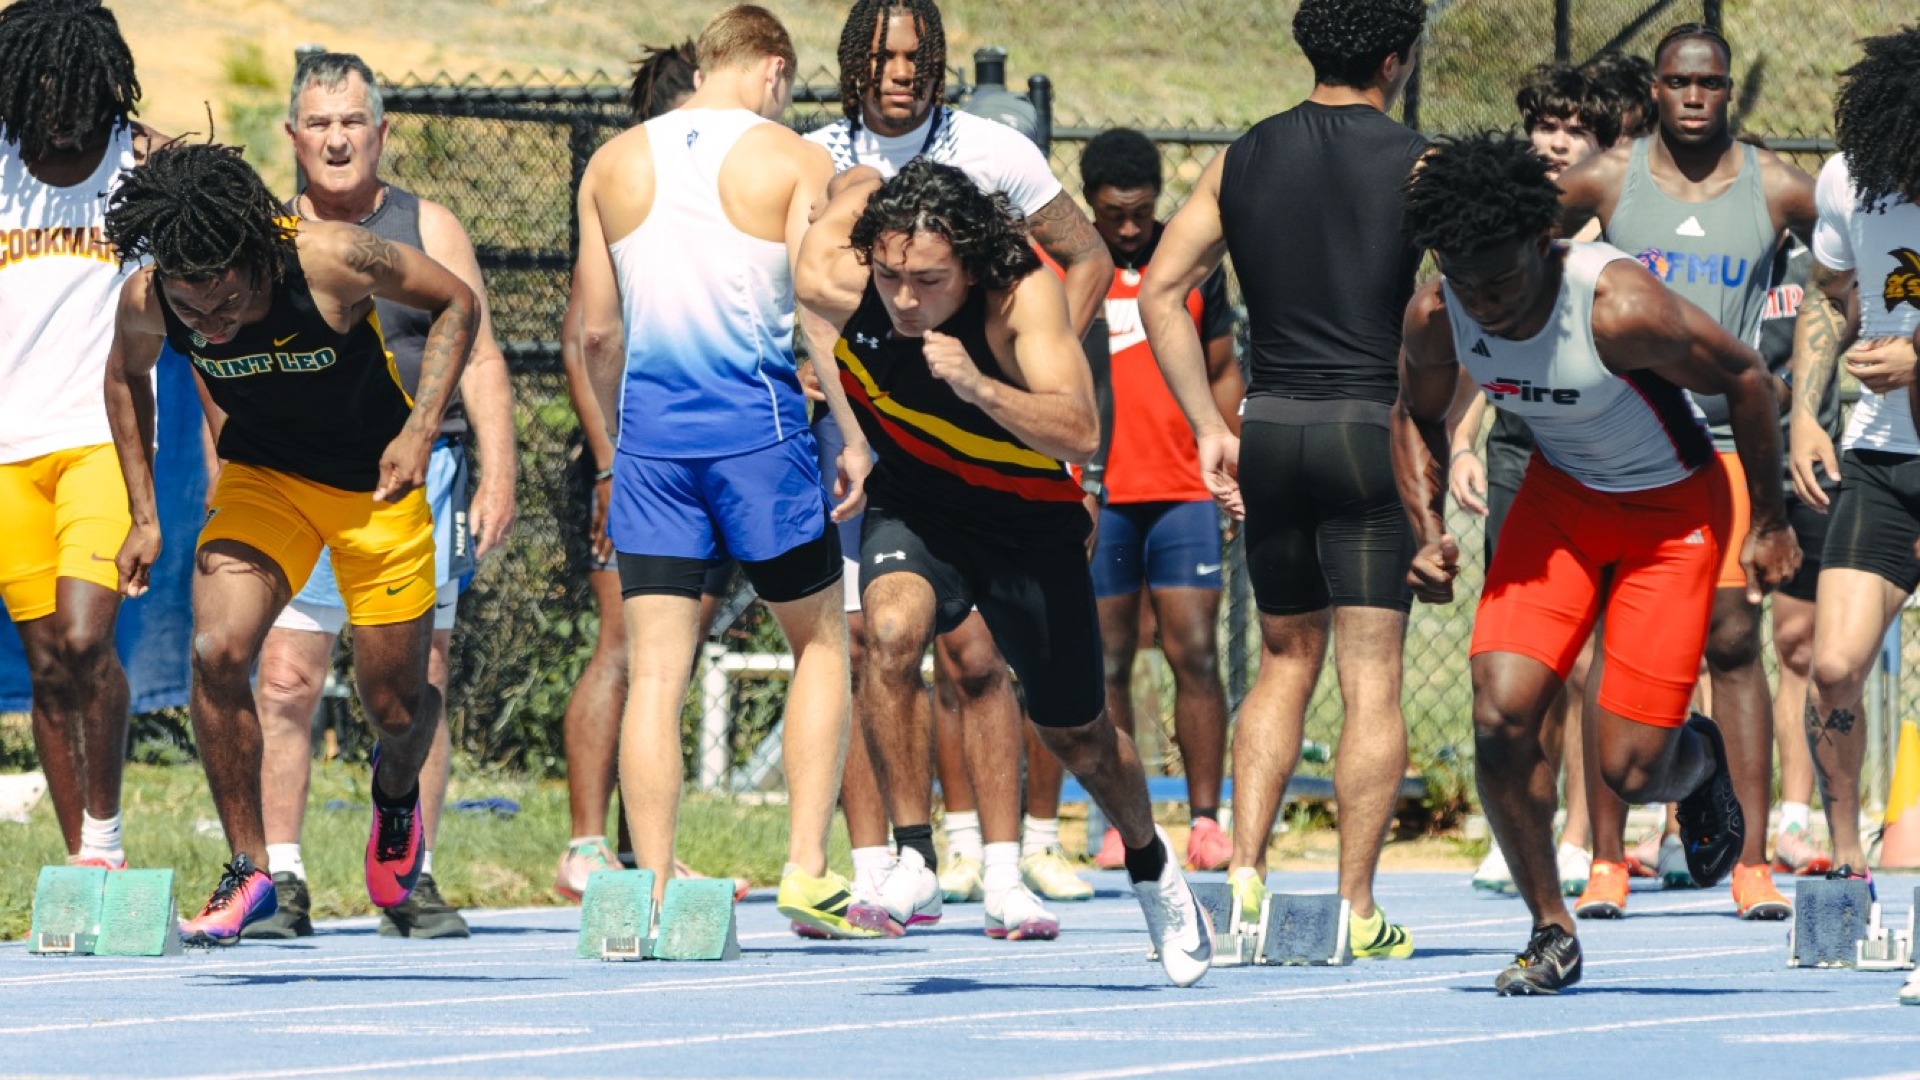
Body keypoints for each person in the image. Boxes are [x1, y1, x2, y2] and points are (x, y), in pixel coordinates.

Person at [1395, 132, 1795, 995]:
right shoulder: (1438, 312)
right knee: (1500, 715)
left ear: (1542, 242)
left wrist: (1768, 521)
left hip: (1671, 513)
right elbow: (1413, 414)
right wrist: (1424, 529)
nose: (1486, 306)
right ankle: (1552, 927)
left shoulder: (1619, 306)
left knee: (1631, 771)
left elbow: (1748, 380)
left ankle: (1699, 758)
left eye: (1502, 284)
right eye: (1468, 285)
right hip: (1562, 503)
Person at [796, 157, 1212, 984]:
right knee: (887, 633)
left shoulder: (1022, 298)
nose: (904, 300)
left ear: (971, 265)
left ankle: (1151, 862)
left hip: (1026, 526)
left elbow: (1079, 430)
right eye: (890, 277)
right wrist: (860, 182)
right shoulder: (841, 275)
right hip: (918, 506)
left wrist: (977, 385)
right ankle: (914, 857)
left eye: (929, 281)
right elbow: (835, 237)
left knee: (1078, 734)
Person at [102, 142, 480, 945]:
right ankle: (251, 868)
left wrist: (420, 431)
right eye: (193, 313)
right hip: (265, 481)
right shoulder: (150, 297)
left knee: (395, 708)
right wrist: (143, 514)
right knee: (217, 649)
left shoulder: (331, 257)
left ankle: (397, 795)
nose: (212, 326)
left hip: (376, 488)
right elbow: (124, 377)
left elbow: (456, 302)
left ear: (254, 257)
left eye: (227, 304)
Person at [803, 0, 1113, 938]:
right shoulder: (815, 158)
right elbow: (807, 295)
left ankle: (1005, 871)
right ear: (853, 61)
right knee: (876, 645)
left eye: (916, 55)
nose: (900, 71)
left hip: (984, 439)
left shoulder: (991, 148)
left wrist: (1025, 377)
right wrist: (839, 401)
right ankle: (888, 868)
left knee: (978, 659)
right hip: (871, 440)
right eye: (882, 56)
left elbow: (1087, 256)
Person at [569, 4, 878, 938]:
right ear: (773, 70)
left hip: (652, 446)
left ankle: (655, 892)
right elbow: (818, 312)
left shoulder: (611, 163)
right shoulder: (791, 156)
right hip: (758, 436)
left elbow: (594, 334)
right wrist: (853, 434)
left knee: (656, 675)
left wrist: (618, 444)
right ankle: (807, 869)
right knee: (819, 643)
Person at [1139, 0, 1426, 959]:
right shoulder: (1417, 162)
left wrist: (1207, 425)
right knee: (1371, 677)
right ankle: (1355, 907)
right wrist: (1448, 433)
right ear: (1396, 58)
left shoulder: (1243, 156)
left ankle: (1246, 880)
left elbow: (1159, 292)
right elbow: (1465, 306)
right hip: (1367, 429)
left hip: (1269, 428)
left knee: (1282, 660)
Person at [237, 51, 517, 942]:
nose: (336, 139)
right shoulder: (265, 237)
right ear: (293, 137)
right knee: (285, 679)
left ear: (381, 132)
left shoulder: (428, 226)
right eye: (319, 124)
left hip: (415, 484)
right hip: (296, 476)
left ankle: (409, 874)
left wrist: (500, 473)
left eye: (352, 121)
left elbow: (479, 353)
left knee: (415, 683)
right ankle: (281, 876)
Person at [1557, 22, 1817, 921]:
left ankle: (1751, 865)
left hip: (1729, 444)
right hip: (1623, 443)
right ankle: (1606, 861)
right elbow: (1510, 253)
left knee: (1734, 643)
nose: (1695, 96)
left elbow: (1852, 267)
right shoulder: (1606, 178)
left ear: (1728, 90)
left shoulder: (1776, 186)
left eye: (1710, 83)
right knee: (1607, 646)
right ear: (1656, 90)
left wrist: (1812, 385)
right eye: (1679, 82)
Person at [552, 37, 723, 901]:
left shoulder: (712, 201)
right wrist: (610, 465)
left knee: (669, 660)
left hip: (704, 452)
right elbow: (580, 340)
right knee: (623, 647)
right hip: (631, 460)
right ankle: (585, 846)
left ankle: (641, 847)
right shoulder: (629, 188)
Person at [1452, 61, 1616, 900]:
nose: (1555, 143)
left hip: (1605, 460)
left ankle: (1588, 832)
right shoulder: (1506, 231)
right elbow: (1478, 343)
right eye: (1544, 127)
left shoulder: (1616, 239)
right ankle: (1524, 824)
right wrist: (1463, 442)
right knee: (1524, 662)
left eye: (1574, 130)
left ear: (1604, 146)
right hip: (1522, 454)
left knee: (1593, 664)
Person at [0, 0, 151, 872]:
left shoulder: (140, 164)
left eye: (76, 84)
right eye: (43, 83)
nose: (60, 105)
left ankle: (105, 838)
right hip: (8, 454)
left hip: (101, 440)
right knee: (49, 666)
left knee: (88, 638)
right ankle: (83, 871)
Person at [1071, 128, 1241, 872]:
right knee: (1107, 659)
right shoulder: (1072, 263)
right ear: (1090, 205)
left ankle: (1206, 820)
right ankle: (1123, 821)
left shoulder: (1191, 262)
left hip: (1182, 491)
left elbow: (1223, 368)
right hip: (1102, 495)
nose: (1131, 228)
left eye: (1142, 212)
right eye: (1116, 215)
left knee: (1194, 651)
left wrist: (1231, 467)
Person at [1789, 24, 1920, 885]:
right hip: (1878, 456)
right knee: (1833, 666)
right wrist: (1806, 412)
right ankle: (1845, 861)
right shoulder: (1850, 177)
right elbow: (1829, 296)